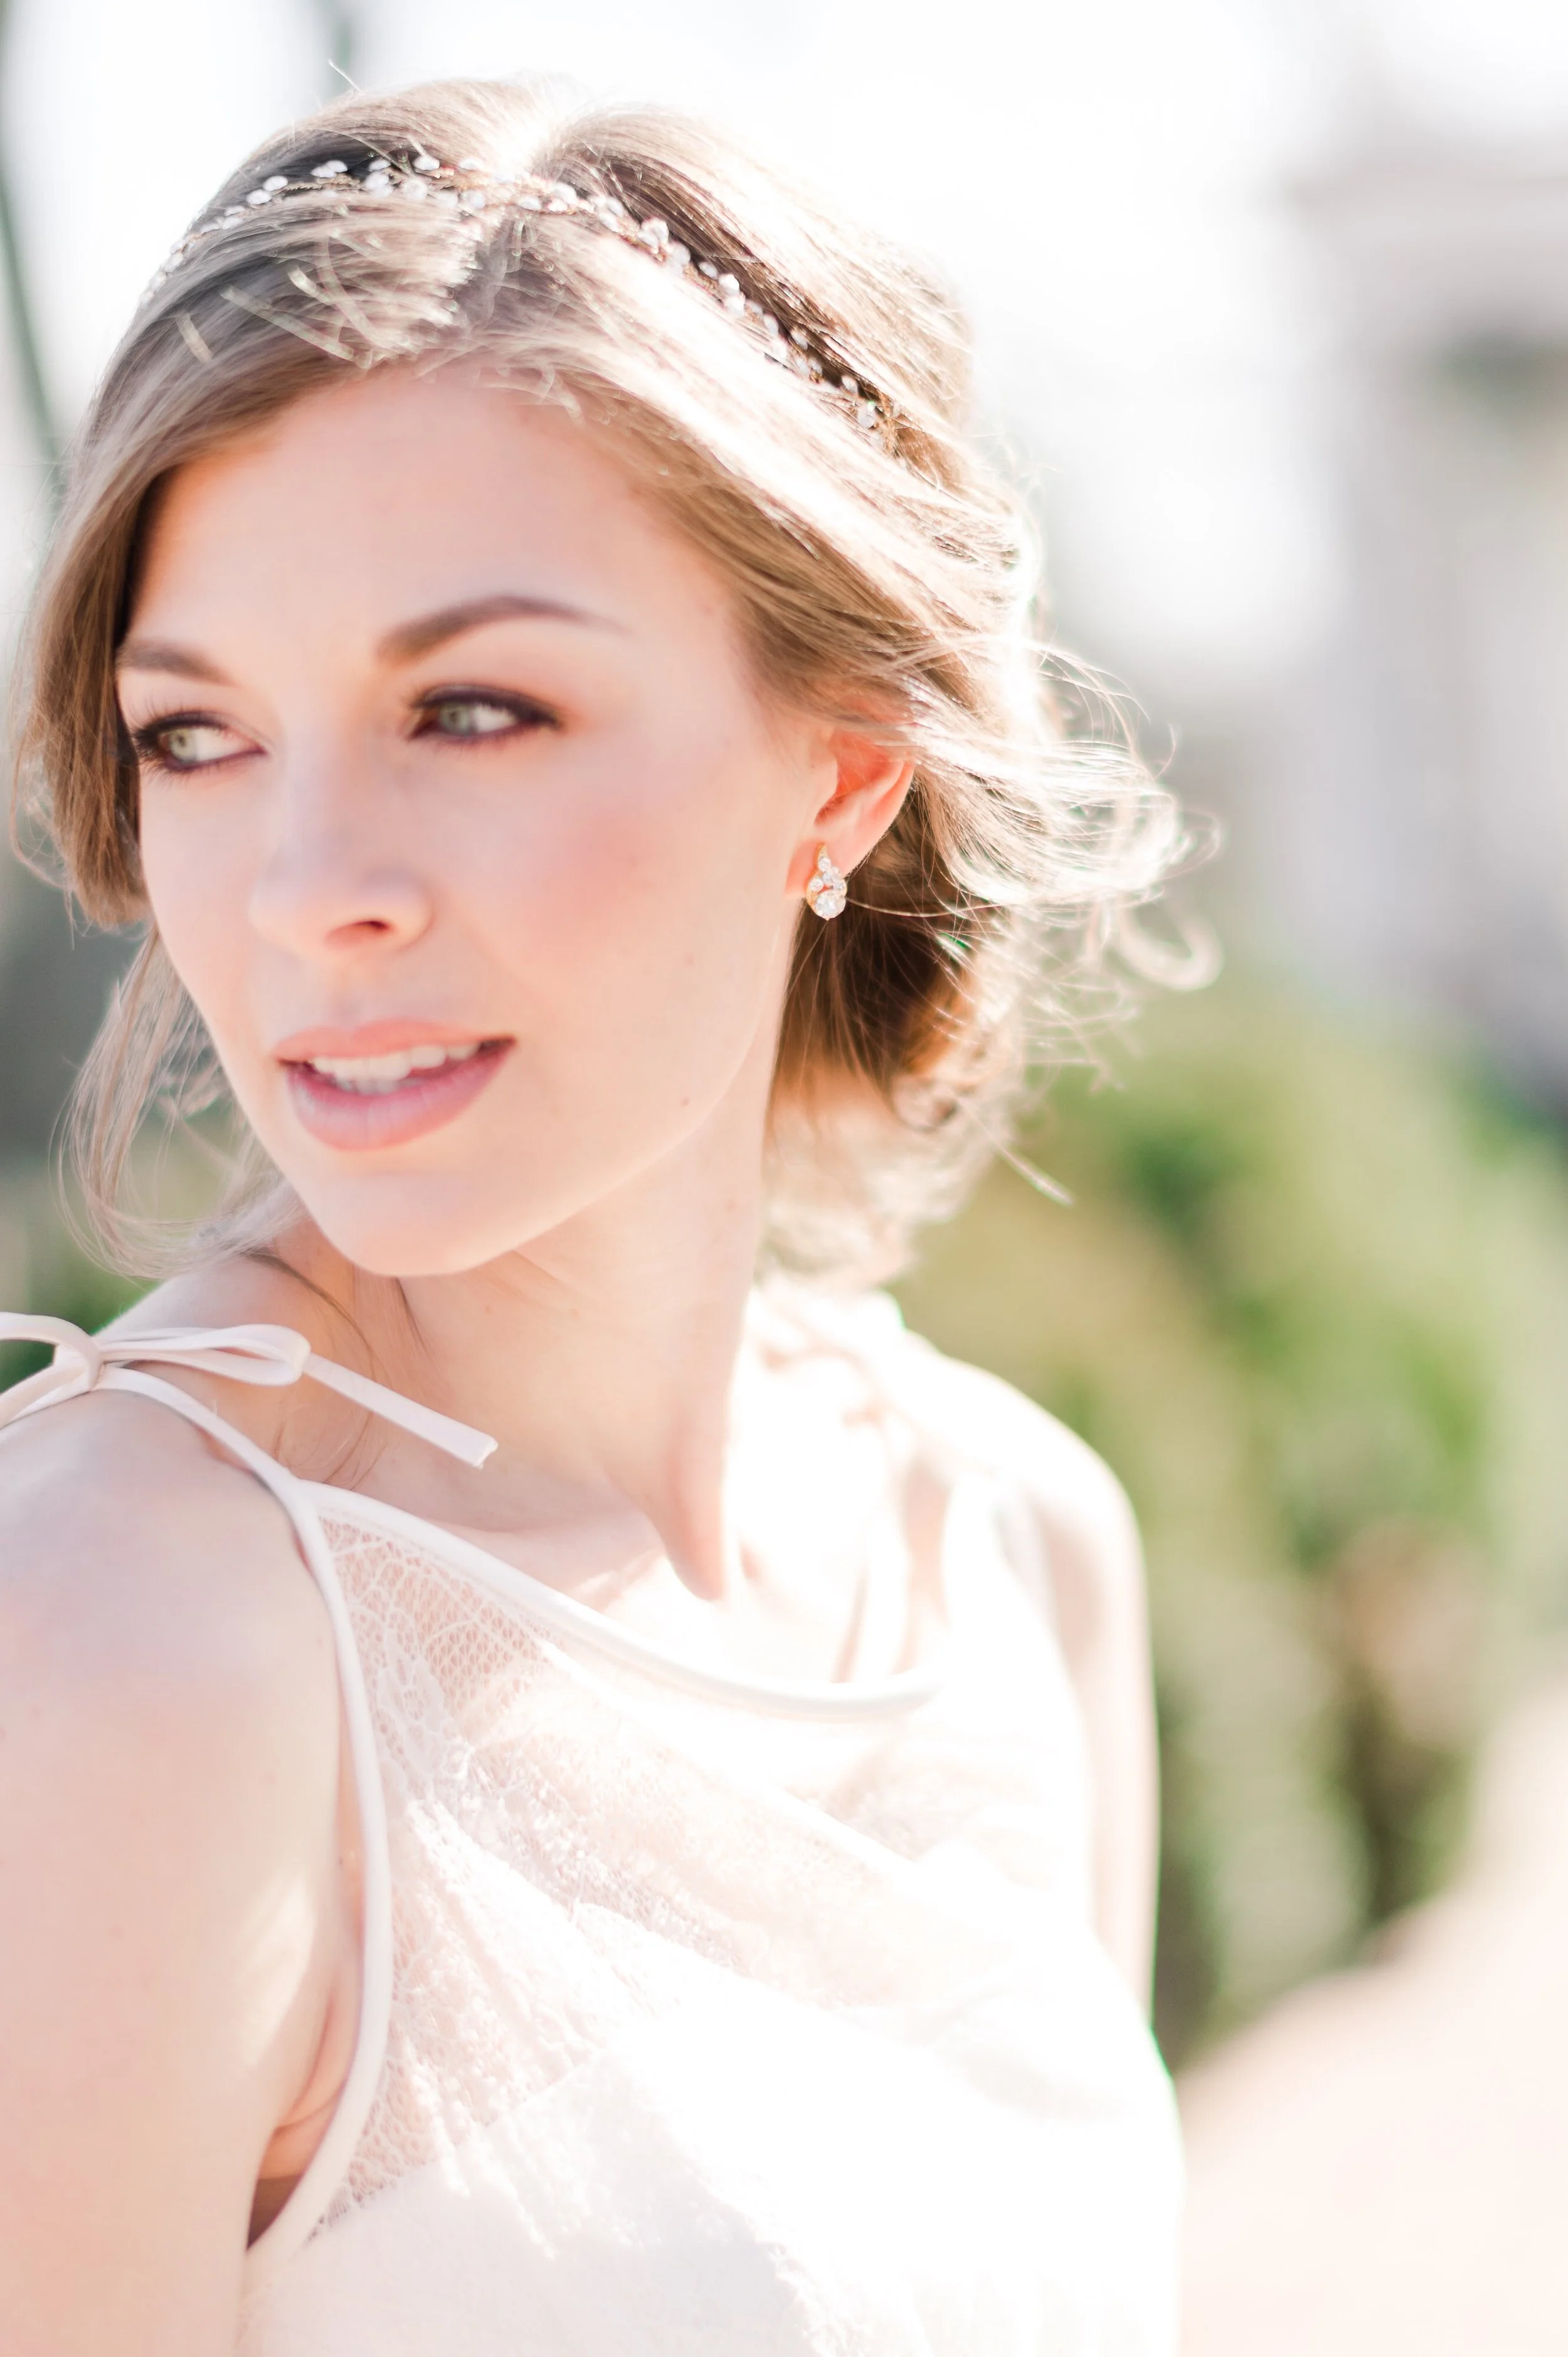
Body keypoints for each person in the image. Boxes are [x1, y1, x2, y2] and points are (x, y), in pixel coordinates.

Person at [0, 77, 1186, 2357]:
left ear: (840, 773)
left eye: (471, 707)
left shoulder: (1011, 1544)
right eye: (198, 734)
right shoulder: (118, 1649)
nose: (309, 892)